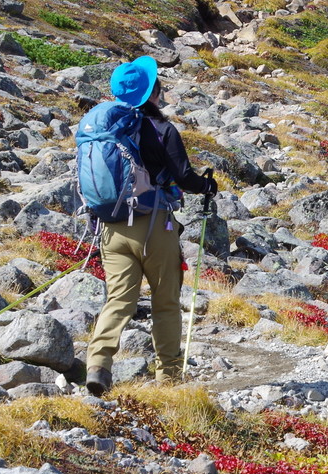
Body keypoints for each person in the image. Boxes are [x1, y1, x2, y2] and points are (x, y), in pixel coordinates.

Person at [85, 55, 217, 397]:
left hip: (111, 227)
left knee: (119, 300)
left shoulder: (106, 128)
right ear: (154, 94)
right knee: (165, 301)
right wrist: (207, 186)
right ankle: (170, 378)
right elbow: (184, 178)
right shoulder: (161, 128)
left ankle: (98, 366)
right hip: (154, 226)